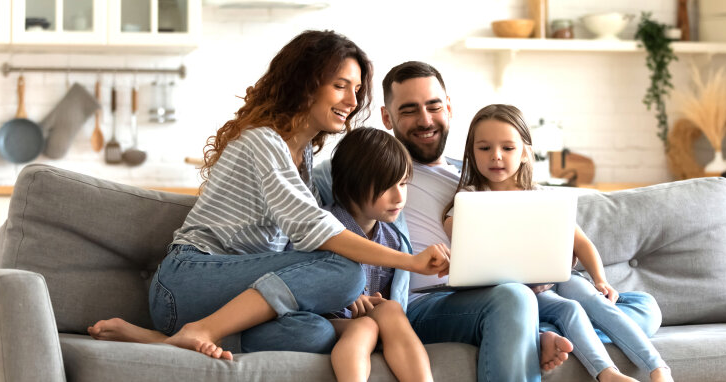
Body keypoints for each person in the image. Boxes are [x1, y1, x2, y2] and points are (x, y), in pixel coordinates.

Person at [87, 30, 450, 361]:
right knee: (348, 272)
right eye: (341, 85)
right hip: (188, 282)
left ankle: (163, 340)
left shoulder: (304, 157)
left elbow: (303, 250)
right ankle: (199, 331)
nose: (352, 100)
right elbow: (318, 232)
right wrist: (412, 262)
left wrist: (337, 294)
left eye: (356, 89)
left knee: (317, 332)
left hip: (233, 296)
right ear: (306, 84)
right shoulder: (264, 141)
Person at [314, 62, 574, 381]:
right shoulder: (374, 170)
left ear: (448, 107)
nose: (425, 120)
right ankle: (536, 334)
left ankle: (540, 335)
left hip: (487, 293)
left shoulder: (479, 175)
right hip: (423, 303)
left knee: (609, 303)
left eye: (433, 106)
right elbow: (313, 227)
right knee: (514, 297)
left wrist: (542, 266)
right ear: (387, 117)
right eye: (409, 110)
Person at [441, 103, 673, 382]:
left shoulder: (540, 196)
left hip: (556, 278)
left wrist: (601, 280)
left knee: (596, 300)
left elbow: (582, 243)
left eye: (508, 148)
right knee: (571, 308)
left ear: (526, 153)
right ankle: (606, 372)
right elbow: (463, 241)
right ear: (472, 152)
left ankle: (658, 368)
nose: (496, 156)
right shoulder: (469, 200)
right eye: (484, 148)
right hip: (519, 293)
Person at [323, 127, 432, 382]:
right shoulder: (323, 225)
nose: (399, 197)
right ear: (352, 185)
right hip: (324, 319)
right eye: (386, 187)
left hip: (369, 320)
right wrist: (343, 294)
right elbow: (298, 280)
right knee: (365, 327)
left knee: (391, 310)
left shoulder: (392, 239)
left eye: (403, 183)